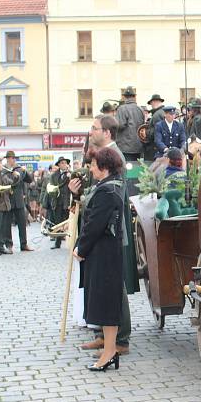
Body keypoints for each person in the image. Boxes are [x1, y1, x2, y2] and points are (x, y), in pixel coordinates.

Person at [73, 114, 138, 356]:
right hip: (102, 231)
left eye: (94, 128)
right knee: (102, 286)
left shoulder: (115, 156)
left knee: (113, 287)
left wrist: (86, 198)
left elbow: (111, 196)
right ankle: (104, 334)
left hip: (111, 233)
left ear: (107, 133)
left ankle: (120, 339)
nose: (91, 132)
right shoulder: (102, 155)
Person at [73, 146, 126, 371]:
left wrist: (80, 248)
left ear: (103, 167)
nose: (91, 169)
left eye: (94, 165)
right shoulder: (107, 186)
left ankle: (110, 352)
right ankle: (109, 350)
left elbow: (94, 224)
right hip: (104, 251)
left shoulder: (107, 191)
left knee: (106, 304)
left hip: (104, 253)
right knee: (106, 304)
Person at [1, 151, 34, 252]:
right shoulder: (3, 170)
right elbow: (7, 182)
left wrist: (26, 171)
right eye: (11, 158)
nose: (13, 160)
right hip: (9, 200)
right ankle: (9, 245)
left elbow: (29, 180)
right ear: (7, 159)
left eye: (14, 158)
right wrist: (14, 175)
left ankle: (24, 244)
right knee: (7, 224)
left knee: (22, 223)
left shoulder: (19, 169)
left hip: (19, 200)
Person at [47, 157, 71, 249]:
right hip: (57, 201)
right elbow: (51, 188)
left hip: (67, 201)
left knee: (69, 222)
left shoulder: (71, 174)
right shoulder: (54, 175)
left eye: (65, 163)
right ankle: (57, 242)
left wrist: (70, 177)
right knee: (57, 223)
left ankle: (71, 242)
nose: (64, 164)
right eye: (62, 163)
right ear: (59, 165)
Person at [116, 86, 145, 161]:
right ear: (134, 97)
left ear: (124, 97)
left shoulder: (122, 109)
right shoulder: (140, 109)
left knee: (125, 170)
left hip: (125, 147)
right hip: (138, 147)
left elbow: (120, 125)